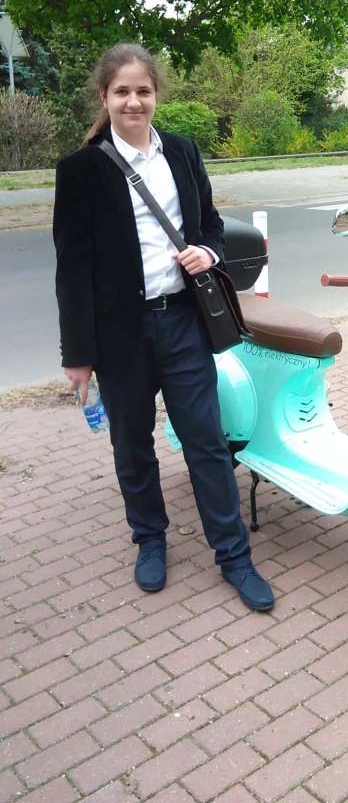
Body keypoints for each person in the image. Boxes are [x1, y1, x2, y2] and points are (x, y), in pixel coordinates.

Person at [53, 42, 274, 611]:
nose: (133, 101)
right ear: (104, 97)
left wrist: (208, 252)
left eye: (143, 91)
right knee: (133, 445)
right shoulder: (80, 171)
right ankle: (150, 539)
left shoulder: (182, 152)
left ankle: (234, 556)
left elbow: (213, 226)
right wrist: (78, 355)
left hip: (182, 325)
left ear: (156, 95)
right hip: (119, 336)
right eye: (122, 92)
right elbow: (72, 270)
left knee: (207, 442)